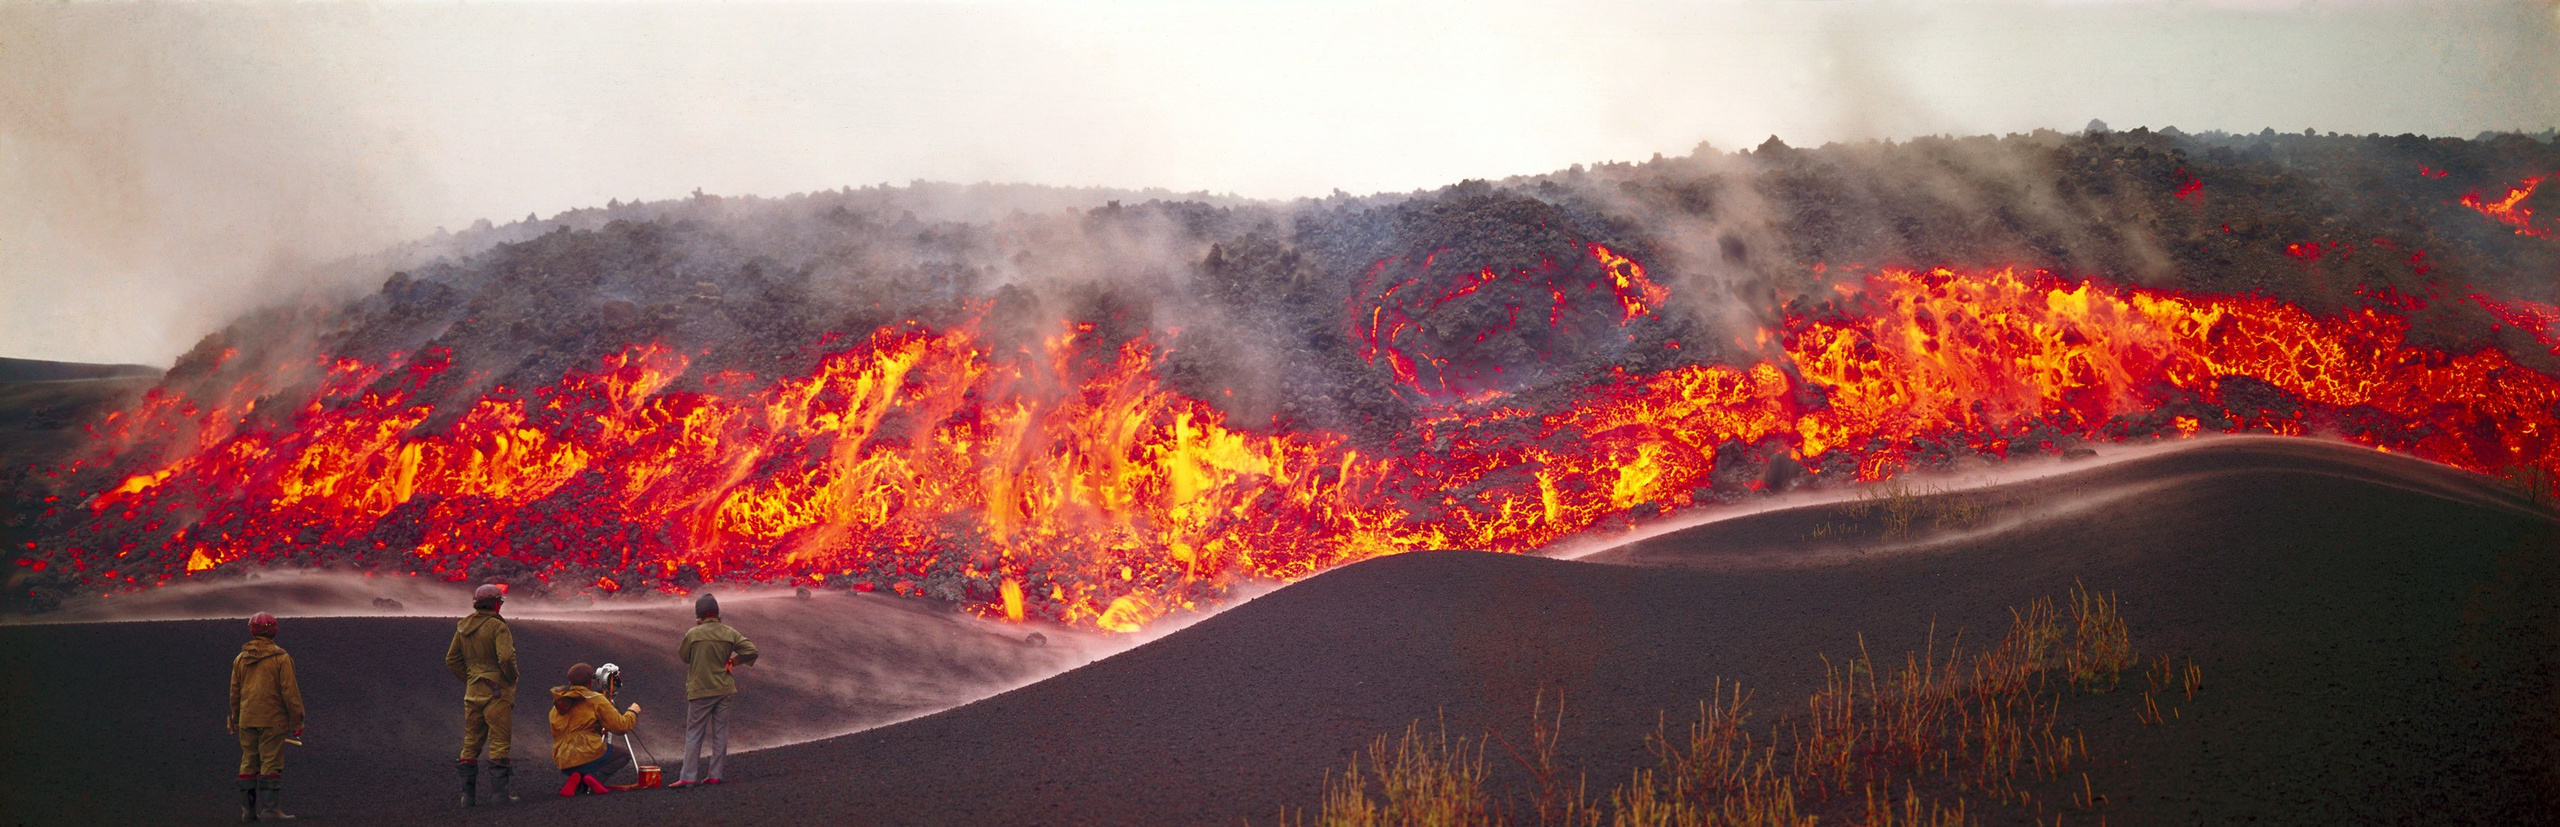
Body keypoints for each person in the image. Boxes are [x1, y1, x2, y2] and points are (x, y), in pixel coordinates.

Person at [671, 591, 757, 787]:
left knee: (695, 734)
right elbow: (751, 651)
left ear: (699, 615)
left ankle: (688, 777)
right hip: (724, 689)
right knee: (720, 734)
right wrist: (733, 662)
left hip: (701, 690)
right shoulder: (729, 632)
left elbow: (684, 657)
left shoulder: (693, 633)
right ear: (717, 613)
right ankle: (715, 775)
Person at [444, 582, 519, 806]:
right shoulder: (498, 627)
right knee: (499, 741)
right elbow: (506, 658)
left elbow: (452, 660)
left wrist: (471, 679)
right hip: (496, 691)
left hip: (473, 691)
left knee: (471, 741)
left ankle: (467, 798)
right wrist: (510, 678)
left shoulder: (463, 627)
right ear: (496, 604)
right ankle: (500, 796)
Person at [227, 611, 304, 822]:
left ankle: (248, 812)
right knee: (270, 761)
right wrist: (297, 721)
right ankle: (271, 811)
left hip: (247, 719)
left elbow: (234, 692)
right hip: (273, 720)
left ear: (252, 631)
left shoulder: (240, 659)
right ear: (274, 631)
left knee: (248, 760)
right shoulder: (281, 658)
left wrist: (236, 719)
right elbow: (290, 692)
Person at [548, 662, 642, 796]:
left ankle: (577, 782)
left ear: (570, 682)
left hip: (563, 760)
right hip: (587, 755)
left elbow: (572, 730)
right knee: (623, 755)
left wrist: (596, 730)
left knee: (582, 758)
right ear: (590, 683)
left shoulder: (557, 706)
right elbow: (621, 727)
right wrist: (633, 712)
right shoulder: (596, 700)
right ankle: (593, 780)